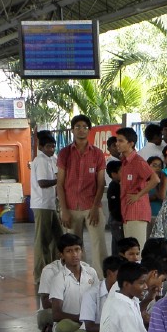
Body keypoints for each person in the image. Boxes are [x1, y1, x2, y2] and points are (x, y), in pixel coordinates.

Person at [56, 114, 107, 272]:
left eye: (85, 127)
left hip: (92, 206)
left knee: (98, 244)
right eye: (77, 127)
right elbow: (60, 183)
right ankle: (76, 277)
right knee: (72, 248)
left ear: (89, 130)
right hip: (70, 207)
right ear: (72, 130)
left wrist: (95, 207)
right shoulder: (65, 153)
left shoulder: (97, 154)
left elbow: (101, 183)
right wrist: (64, 210)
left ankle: (101, 280)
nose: (81, 130)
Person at [37, 233, 99, 332]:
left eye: (77, 250)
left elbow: (97, 299)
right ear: (61, 255)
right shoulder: (55, 274)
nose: (74, 254)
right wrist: (81, 317)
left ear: (82, 251)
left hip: (87, 318)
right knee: (64, 327)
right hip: (70, 319)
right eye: (69, 251)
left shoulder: (91, 272)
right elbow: (53, 310)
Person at [99, 261, 153, 332]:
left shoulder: (131, 300)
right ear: (126, 284)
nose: (146, 287)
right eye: (141, 283)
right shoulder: (122, 308)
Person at [72, 255, 124, 332]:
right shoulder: (91, 294)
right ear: (110, 273)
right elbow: (89, 326)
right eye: (122, 274)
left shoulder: (125, 291)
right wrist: (114, 331)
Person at [117, 126, 159, 244]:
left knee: (137, 250)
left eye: (121, 141)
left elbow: (155, 179)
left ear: (131, 143)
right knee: (130, 250)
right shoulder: (125, 162)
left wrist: (138, 195)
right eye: (117, 140)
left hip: (137, 212)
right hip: (127, 211)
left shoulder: (138, 161)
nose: (117, 144)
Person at [30, 131, 60, 287]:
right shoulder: (40, 160)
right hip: (41, 204)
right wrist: (59, 180)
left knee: (57, 238)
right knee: (42, 241)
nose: (51, 149)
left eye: (53, 146)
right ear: (41, 147)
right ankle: (40, 275)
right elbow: (42, 182)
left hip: (50, 204)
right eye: (48, 146)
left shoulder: (51, 159)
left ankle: (54, 270)